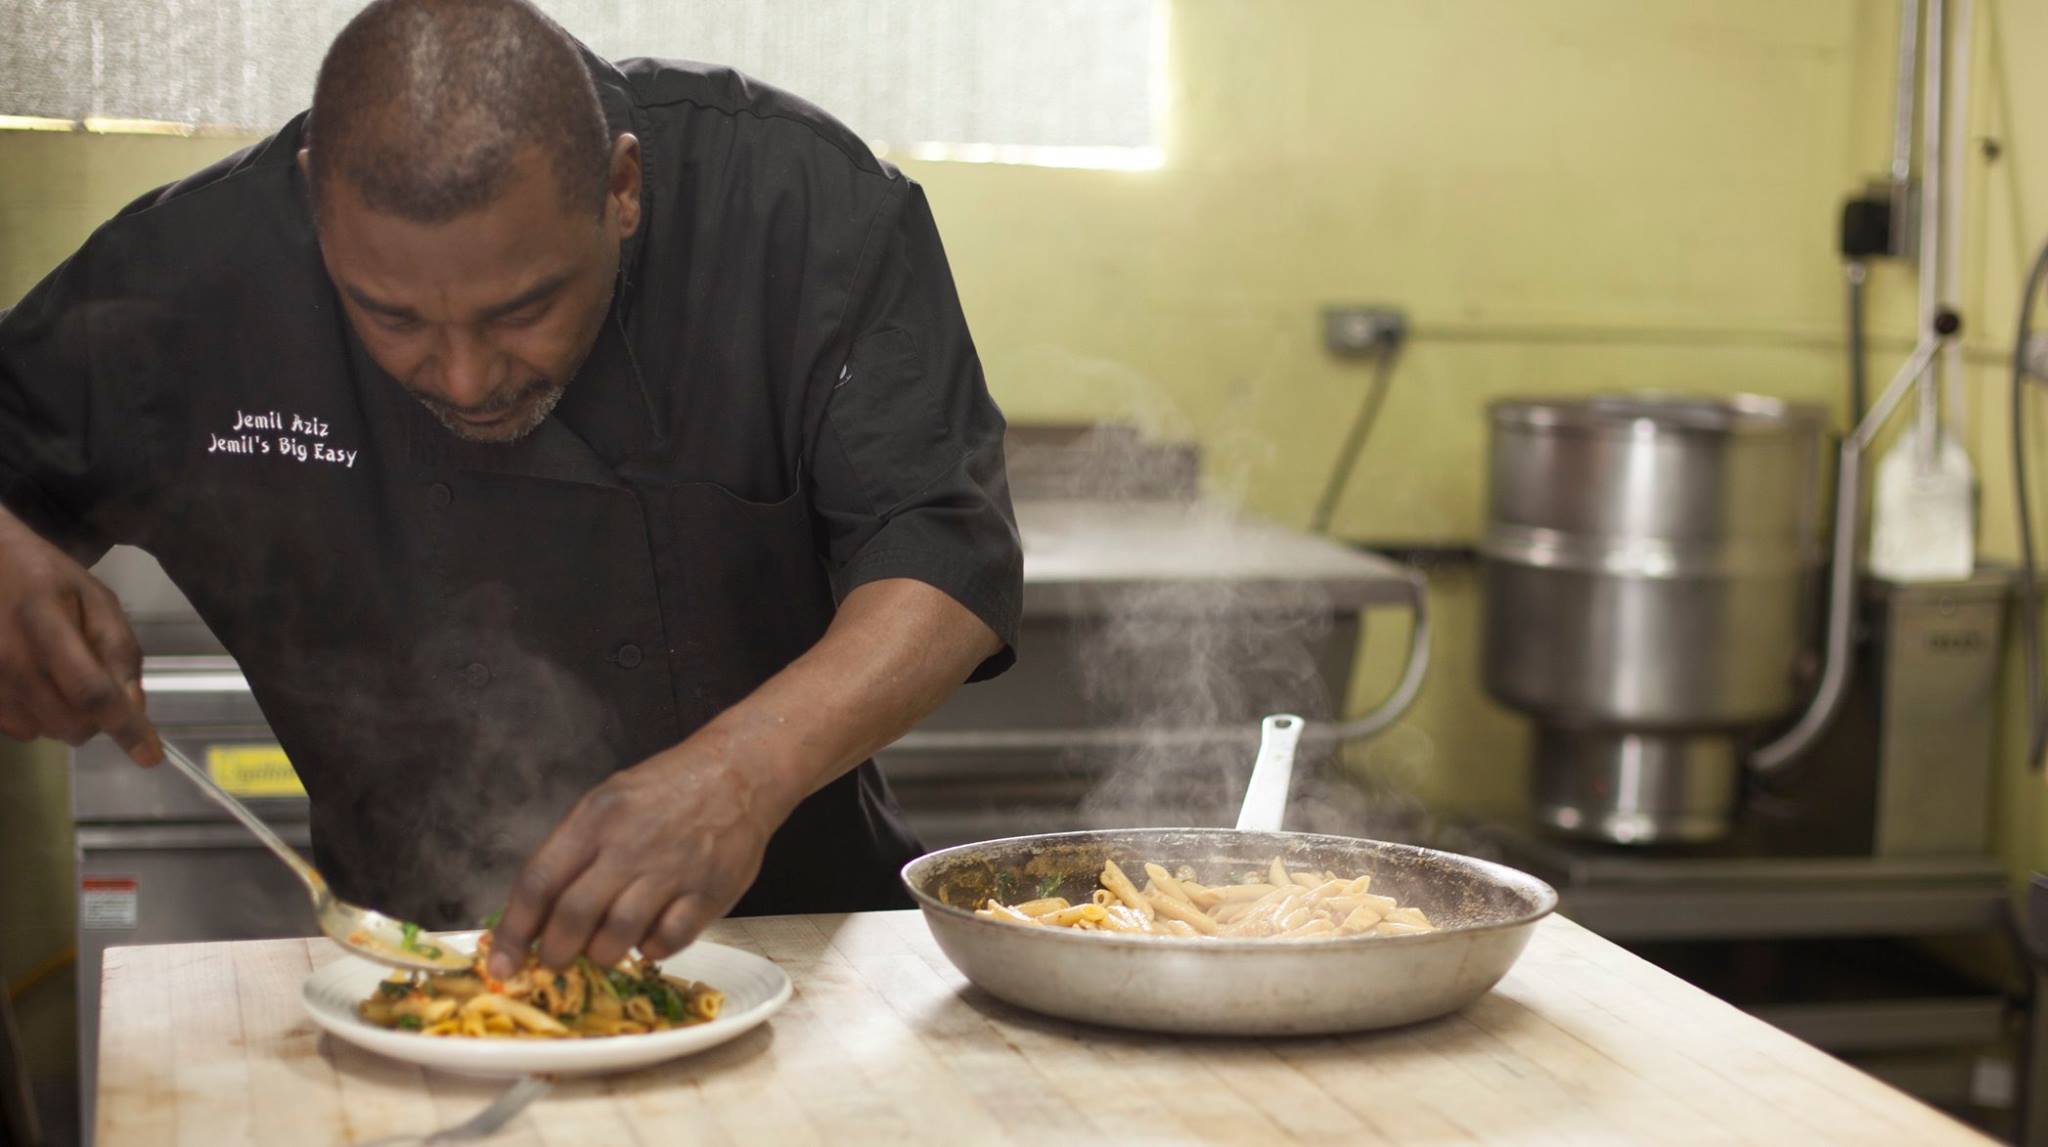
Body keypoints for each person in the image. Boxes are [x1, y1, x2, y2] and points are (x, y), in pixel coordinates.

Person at [0, 0, 1019, 978]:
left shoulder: (794, 210)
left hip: (809, 947)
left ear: (622, 189)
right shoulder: (198, 270)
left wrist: (738, 772)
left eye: (521, 309)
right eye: (391, 316)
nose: (464, 377)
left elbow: (940, 551)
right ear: (317, 204)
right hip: (424, 977)